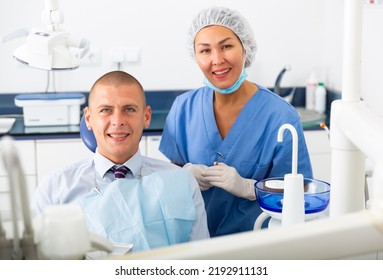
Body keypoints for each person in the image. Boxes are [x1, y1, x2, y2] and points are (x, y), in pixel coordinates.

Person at [159, 6, 313, 237]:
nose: (217, 60)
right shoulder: (183, 108)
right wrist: (185, 174)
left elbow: (300, 188)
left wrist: (250, 188)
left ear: (245, 48)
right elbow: (170, 171)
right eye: (205, 51)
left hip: (256, 241)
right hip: (193, 239)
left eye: (226, 46)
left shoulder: (280, 115)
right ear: (195, 56)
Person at [31, 70, 210, 252]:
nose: (118, 121)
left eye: (129, 109)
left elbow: (202, 259)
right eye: (106, 110)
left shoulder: (181, 183)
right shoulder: (55, 189)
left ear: (146, 117)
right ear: (89, 118)